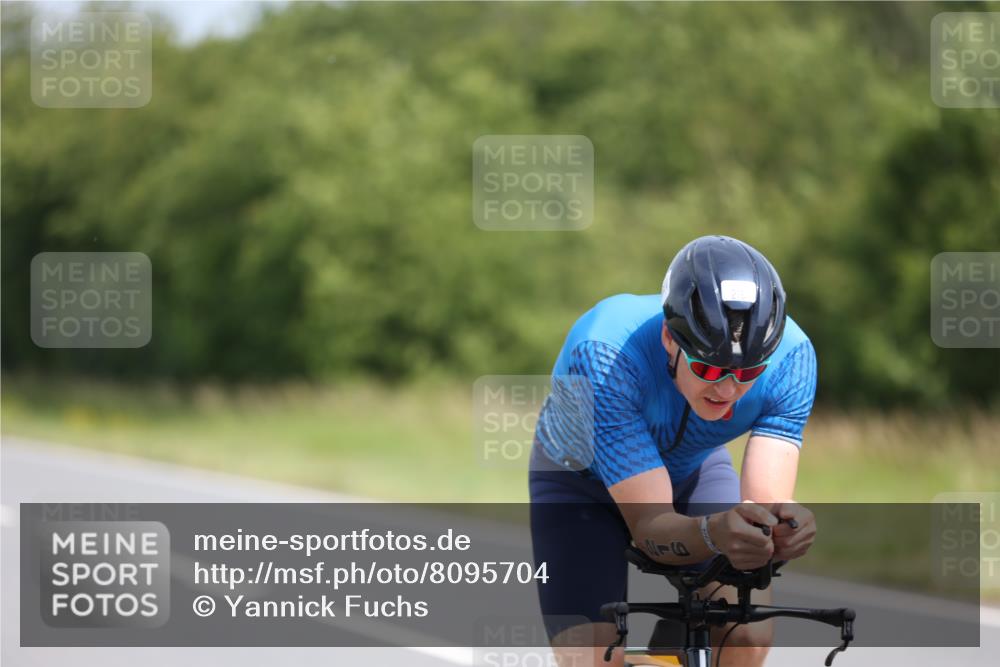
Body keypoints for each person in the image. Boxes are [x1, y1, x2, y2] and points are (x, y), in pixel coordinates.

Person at [529, 235, 818, 667]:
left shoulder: (792, 359)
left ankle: (665, 656)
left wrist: (781, 526)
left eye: (748, 373)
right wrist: (713, 533)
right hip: (579, 484)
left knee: (746, 637)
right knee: (592, 657)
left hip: (693, 469)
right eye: (707, 368)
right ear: (669, 338)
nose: (728, 389)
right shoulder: (605, 354)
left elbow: (762, 505)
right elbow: (650, 526)